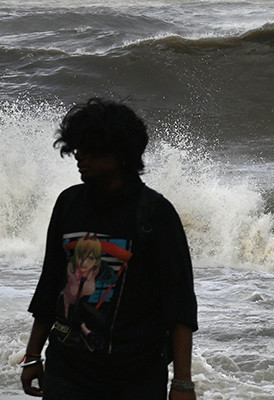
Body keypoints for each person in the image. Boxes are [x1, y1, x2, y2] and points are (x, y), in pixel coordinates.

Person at [20, 98, 198, 400]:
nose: (80, 158)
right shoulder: (69, 204)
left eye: (91, 149)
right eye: (77, 148)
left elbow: (180, 303)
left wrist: (182, 383)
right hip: (67, 371)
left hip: (134, 376)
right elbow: (50, 284)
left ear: (120, 153)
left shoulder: (154, 213)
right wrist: (33, 355)